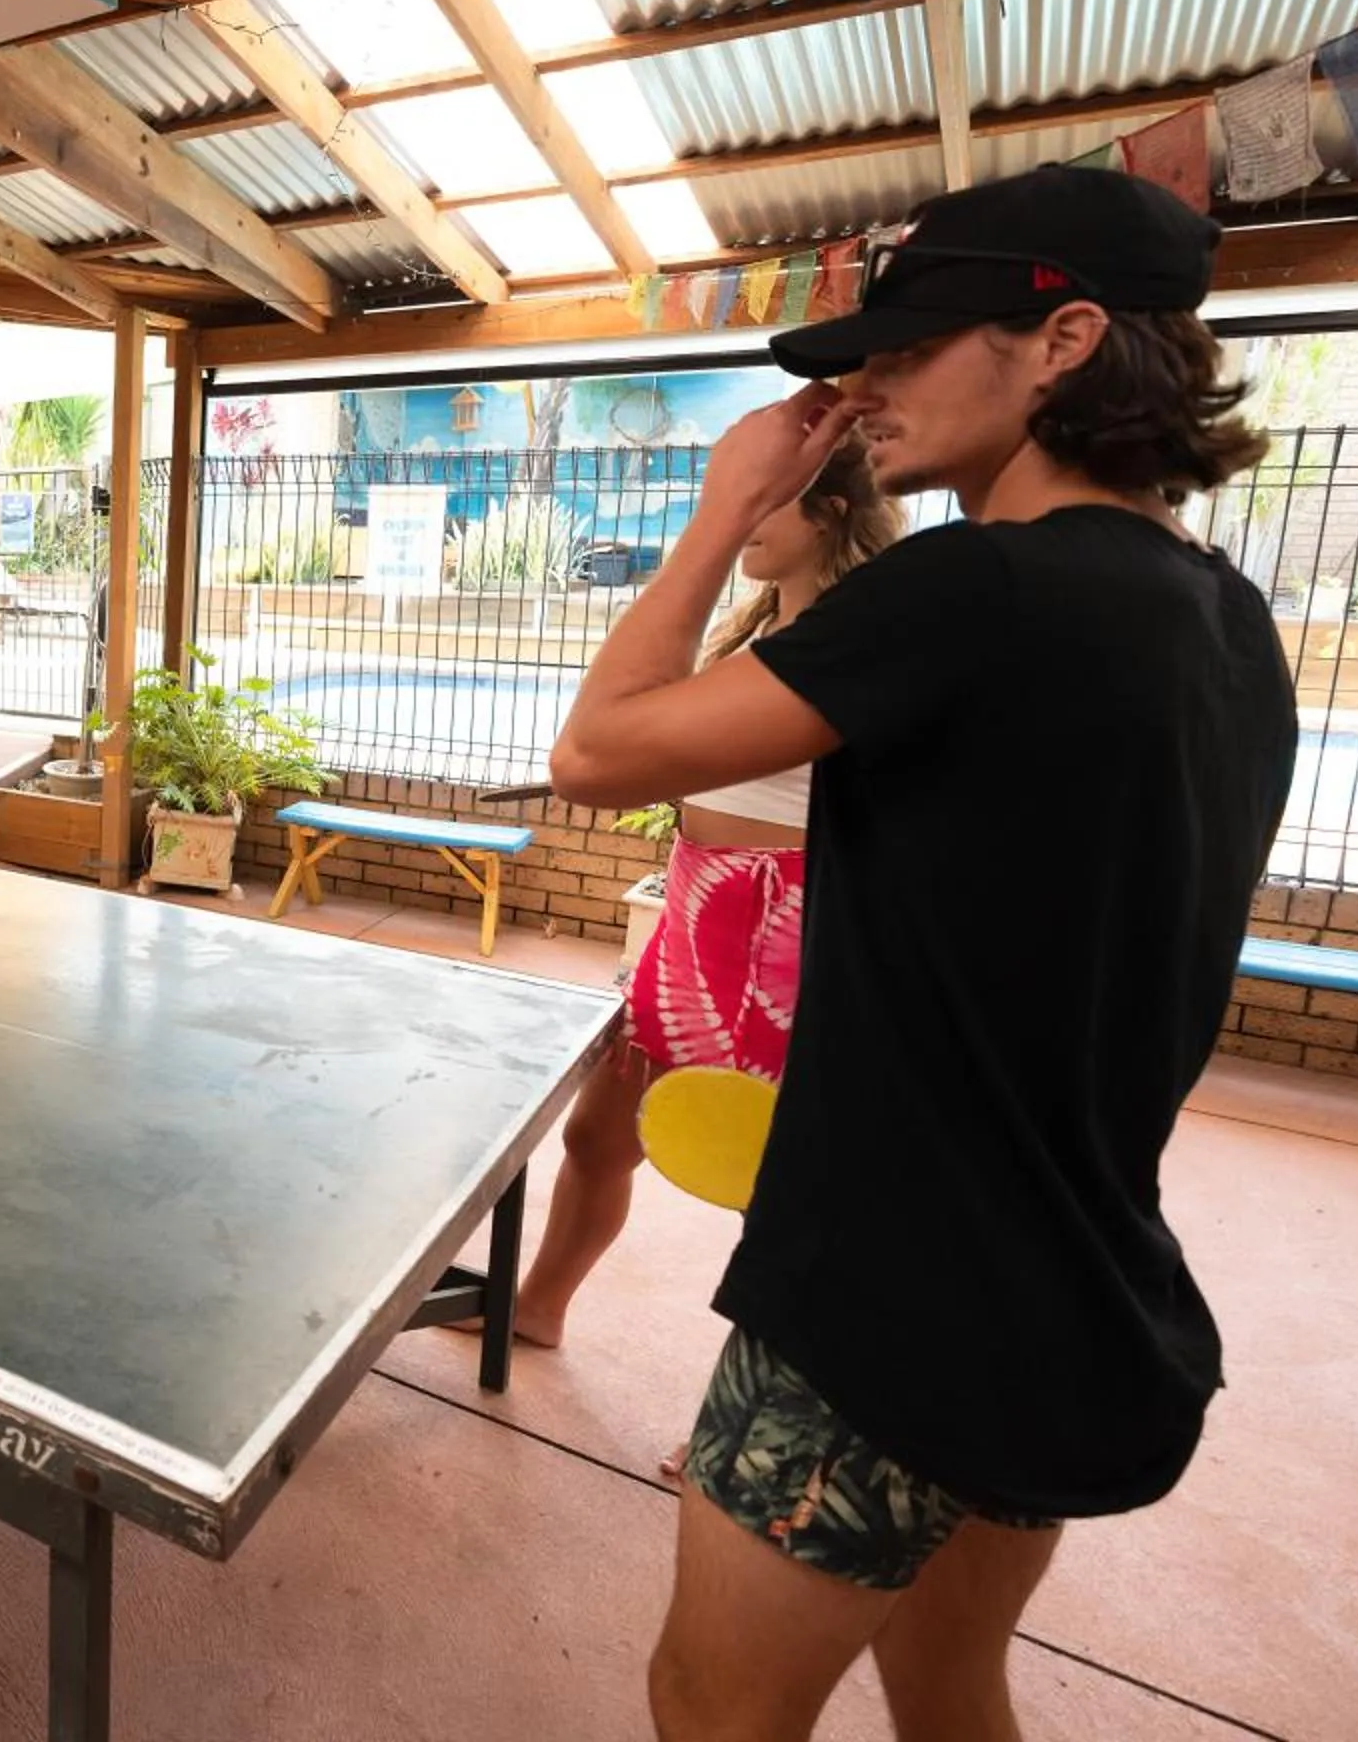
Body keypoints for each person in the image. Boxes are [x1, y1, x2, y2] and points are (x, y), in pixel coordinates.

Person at [546, 165, 1296, 1742]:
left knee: (712, 1704)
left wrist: (719, 514)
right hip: (1073, 1282)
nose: (865, 386)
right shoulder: (1226, 622)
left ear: (1066, 339)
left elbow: (600, 752)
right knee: (949, 1686)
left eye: (910, 345)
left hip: (893, 1299)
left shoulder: (981, 586)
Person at [501, 433, 900, 1361]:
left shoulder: (868, 643)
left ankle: (760, 1404)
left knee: (782, 1186)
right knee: (602, 1135)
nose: (741, 524)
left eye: (766, 502)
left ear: (828, 512)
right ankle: (538, 1307)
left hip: (790, 932)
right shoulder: (756, 632)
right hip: (695, 916)